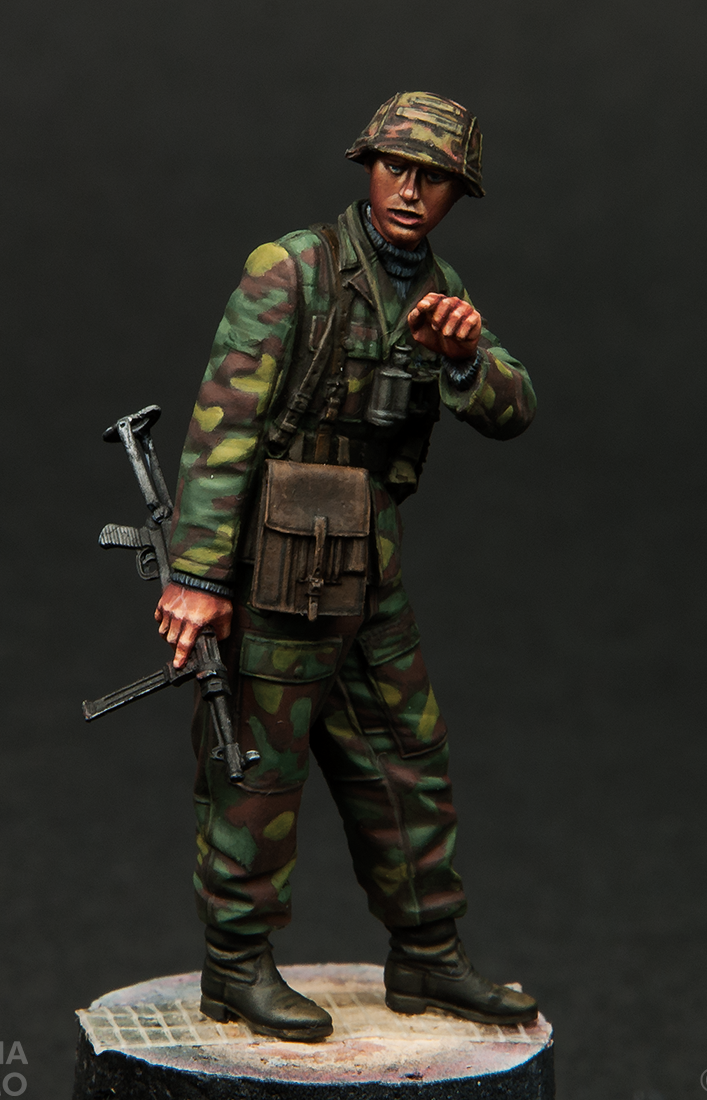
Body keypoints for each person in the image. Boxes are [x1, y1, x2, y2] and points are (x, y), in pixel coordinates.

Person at [154, 92, 537, 1042]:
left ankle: (429, 954)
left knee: (409, 757)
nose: (410, 192)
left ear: (457, 194)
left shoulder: (438, 291)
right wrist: (198, 577)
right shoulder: (294, 270)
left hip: (368, 564)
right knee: (258, 769)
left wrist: (462, 360)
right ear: (369, 165)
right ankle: (235, 964)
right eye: (397, 168)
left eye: (435, 178)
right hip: (279, 566)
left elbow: (514, 407)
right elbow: (223, 426)